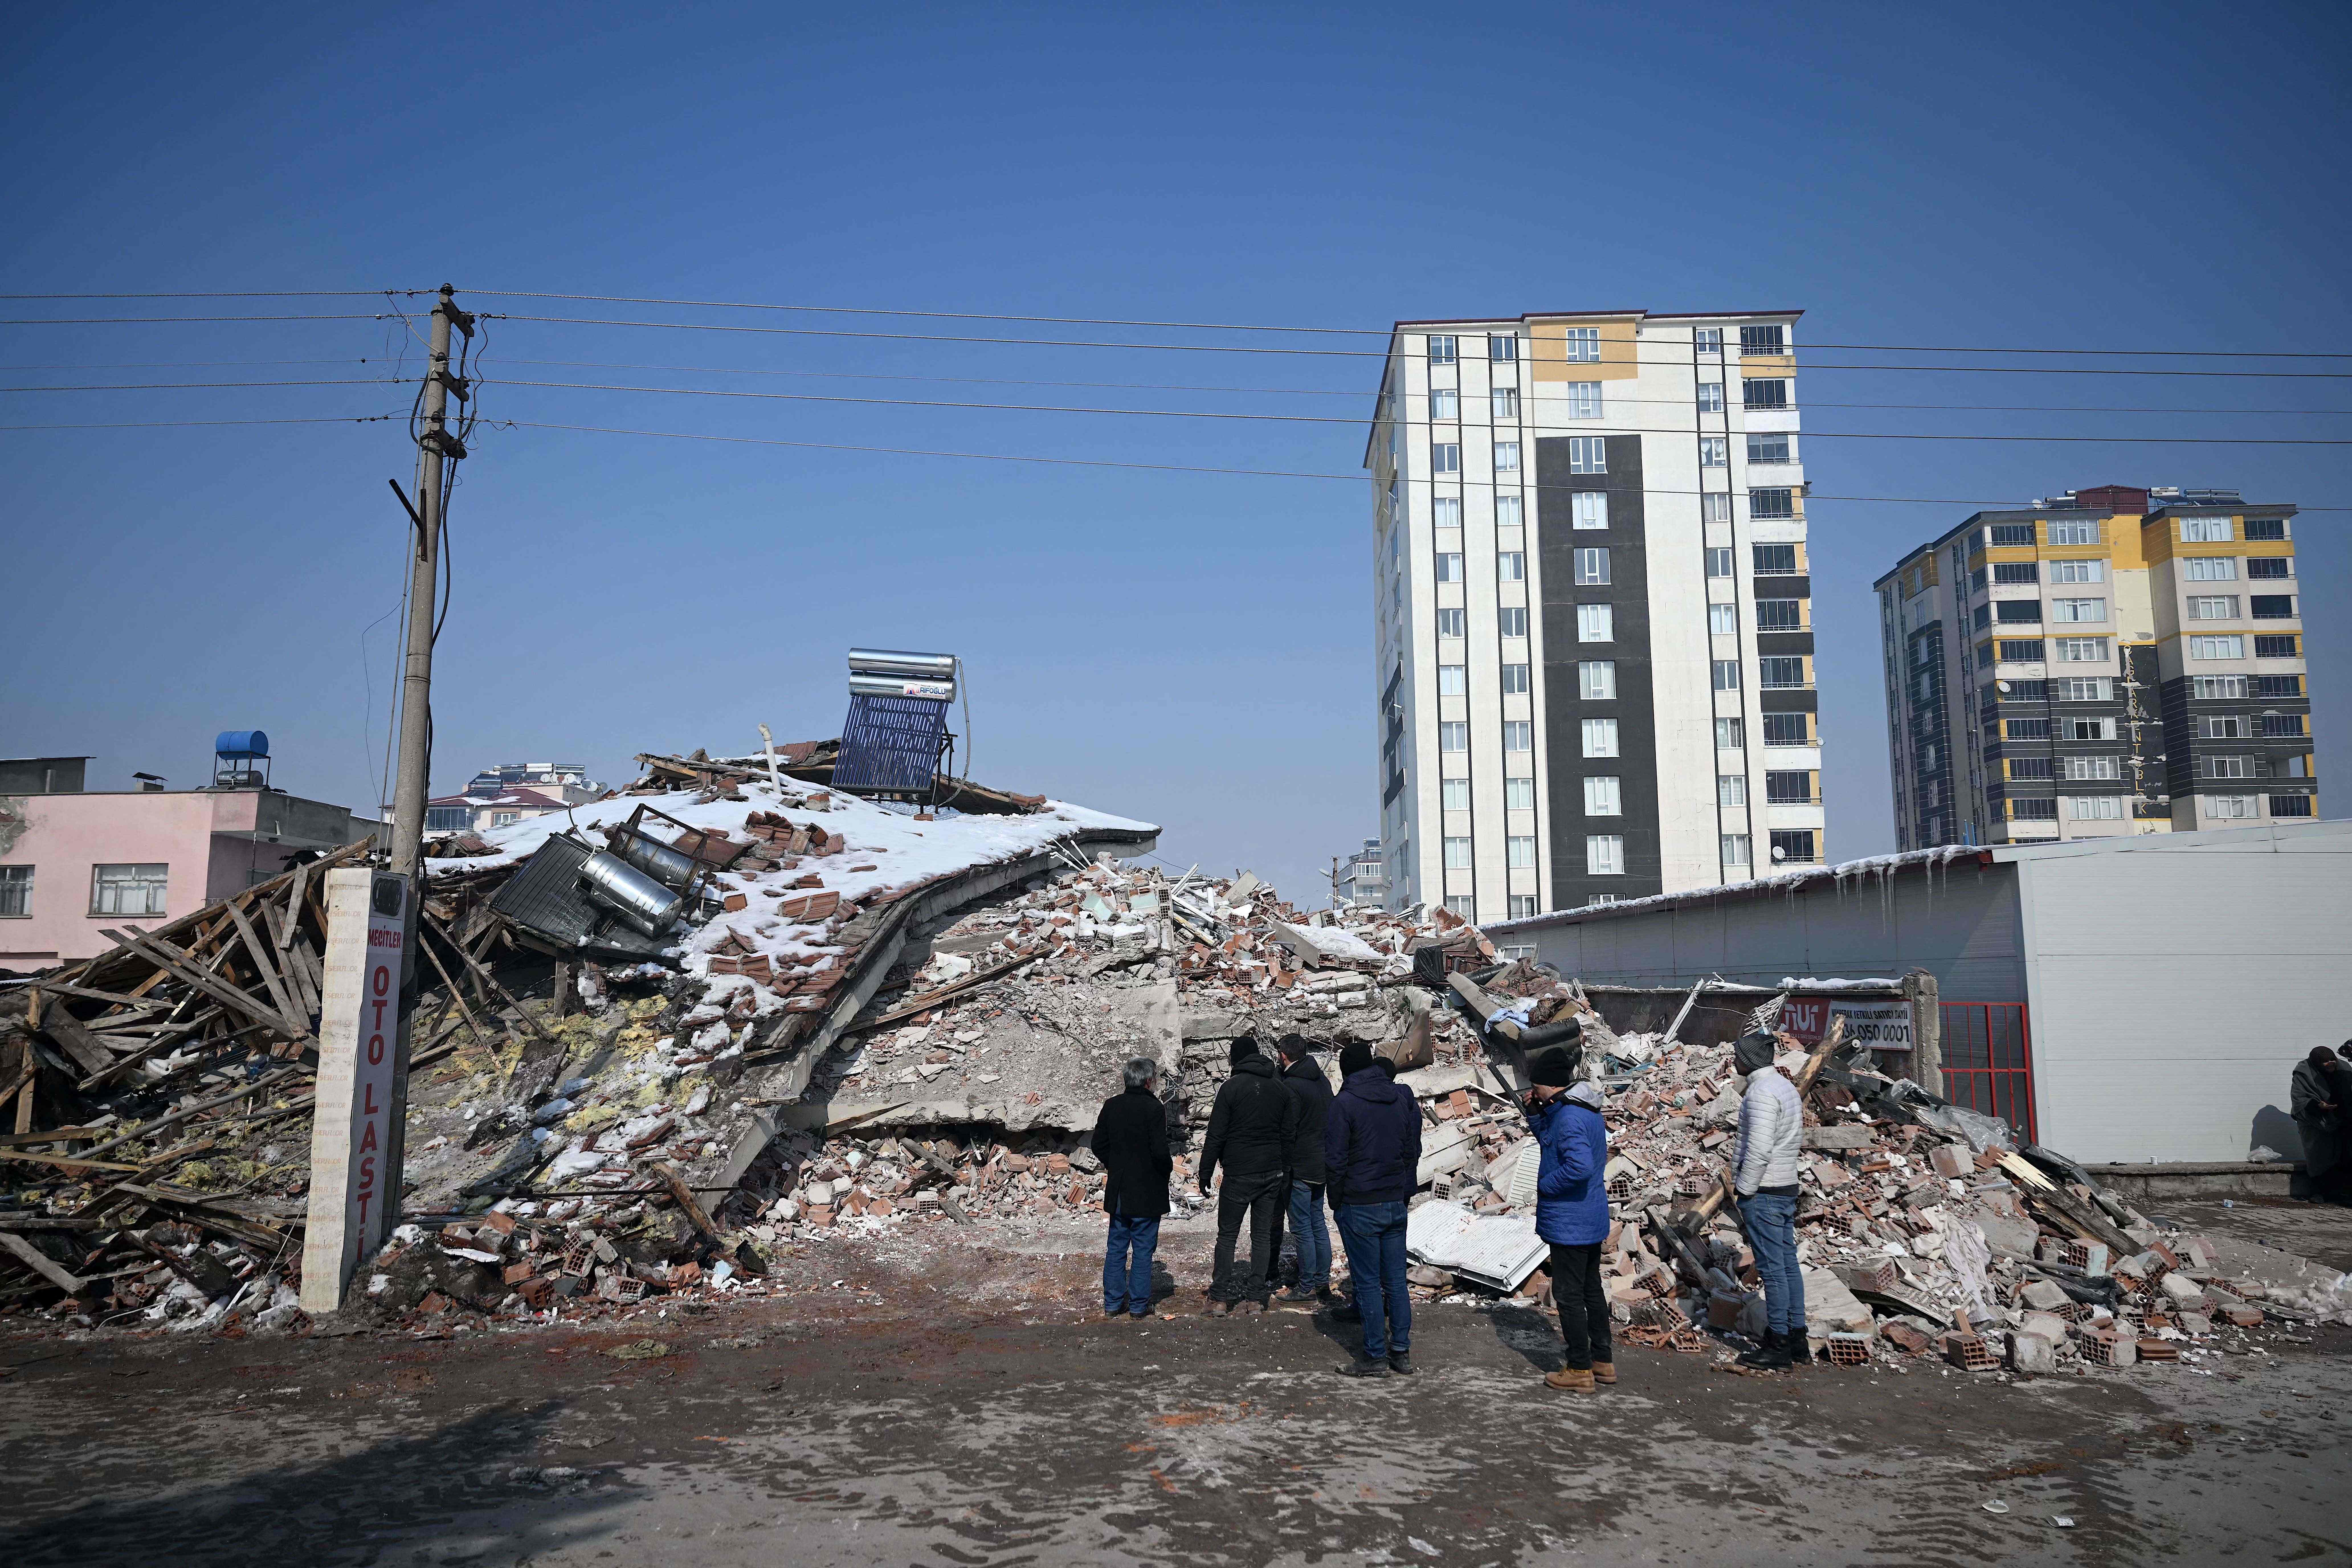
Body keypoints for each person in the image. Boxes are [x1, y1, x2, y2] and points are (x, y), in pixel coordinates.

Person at [1325, 1038, 1422, 1377]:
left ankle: (1375, 1356)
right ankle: (1401, 1352)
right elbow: (1410, 1150)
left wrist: (1336, 1199)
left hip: (1360, 1202)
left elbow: (1335, 1160)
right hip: (1395, 1201)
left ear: (1345, 1071)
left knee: (1367, 1283)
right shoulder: (1399, 1097)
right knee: (1396, 1282)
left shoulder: (1344, 1103)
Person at [1525, 1047, 1613, 1393]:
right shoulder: (1583, 1109)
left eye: (1537, 1087)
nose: (1535, 1092)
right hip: (1589, 1215)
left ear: (1550, 1084)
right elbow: (1552, 1144)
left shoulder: (1568, 1117)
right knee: (1591, 1288)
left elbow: (1579, 1166)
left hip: (1571, 1220)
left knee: (1569, 1294)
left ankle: (1579, 1367)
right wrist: (1536, 1114)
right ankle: (1602, 1360)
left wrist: (1546, 1185)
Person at [1200, 1035, 1299, 1313]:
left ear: (1236, 1059)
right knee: (1262, 1236)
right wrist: (1284, 1169)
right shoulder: (1280, 1089)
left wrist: (1205, 1172)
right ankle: (1255, 1298)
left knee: (1228, 1236)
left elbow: (1216, 1135)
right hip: (1271, 1173)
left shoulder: (1231, 1088)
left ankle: (1219, 1298)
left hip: (1239, 1173)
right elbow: (1288, 1135)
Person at [1731, 1028, 1807, 1370]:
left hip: (1766, 1190)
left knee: (1773, 1270)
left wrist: (1745, 1189)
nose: (1734, 1060)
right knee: (1788, 1264)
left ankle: (1778, 1344)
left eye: (1738, 1055)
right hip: (1785, 1185)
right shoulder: (1784, 1086)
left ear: (1749, 1060)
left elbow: (1760, 1150)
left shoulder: (1761, 1093)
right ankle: (1797, 1339)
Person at [1089, 1056, 1173, 1319]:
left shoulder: (1112, 1105)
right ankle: (1138, 1306)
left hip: (1120, 1190)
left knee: (1116, 1247)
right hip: (1147, 1191)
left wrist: (1115, 1164)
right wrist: (1165, 1170)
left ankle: (1113, 1303)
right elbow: (1160, 1152)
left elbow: (1098, 1144)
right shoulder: (1154, 1109)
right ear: (1148, 1081)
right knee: (1143, 1250)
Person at [1274, 1034, 1334, 1305]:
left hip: (1300, 1166)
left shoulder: (1292, 1087)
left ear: (1284, 1056)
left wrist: (1283, 1164)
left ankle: (1307, 1286)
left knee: (1301, 1227)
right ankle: (1322, 1282)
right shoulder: (1322, 1081)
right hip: (1321, 1163)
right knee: (1317, 1222)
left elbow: (1289, 1130)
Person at [2291, 1046, 2346, 1204]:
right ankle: (2319, 1192)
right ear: (2316, 1063)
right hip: (2315, 1122)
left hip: (2343, 1120)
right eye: (2326, 1062)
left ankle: (2343, 1194)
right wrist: (2318, 1106)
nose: (2331, 1064)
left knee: (2344, 1155)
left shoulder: (2344, 1068)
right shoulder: (2304, 1073)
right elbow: (2299, 1100)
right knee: (2318, 1156)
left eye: (2333, 1060)